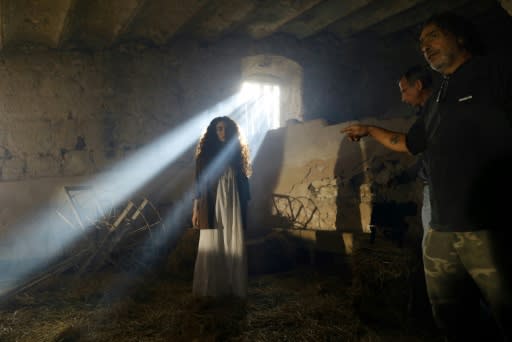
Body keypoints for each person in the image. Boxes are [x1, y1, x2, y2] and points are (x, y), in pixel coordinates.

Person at [341, 12, 512, 341]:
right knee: (451, 321)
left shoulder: (494, 73)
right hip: (441, 232)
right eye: (421, 43)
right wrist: (370, 130)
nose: (425, 47)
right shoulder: (436, 100)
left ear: (459, 37)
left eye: (433, 36)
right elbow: (409, 143)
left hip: (490, 227)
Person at [191, 116, 251, 298]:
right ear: (213, 132)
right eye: (218, 129)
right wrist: (196, 210)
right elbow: (199, 184)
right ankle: (211, 289)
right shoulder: (205, 157)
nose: (222, 132)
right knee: (212, 243)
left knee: (232, 243)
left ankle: (232, 287)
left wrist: (245, 207)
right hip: (213, 204)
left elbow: (244, 184)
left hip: (233, 204)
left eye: (225, 128)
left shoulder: (237, 155)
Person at [398, 64, 433, 237]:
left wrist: (370, 130)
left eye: (404, 91)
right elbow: (428, 157)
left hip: (438, 193)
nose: (403, 98)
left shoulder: (433, 113)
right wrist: (406, 176)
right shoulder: (432, 111)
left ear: (418, 85)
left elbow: (409, 144)